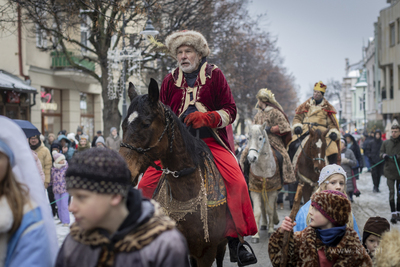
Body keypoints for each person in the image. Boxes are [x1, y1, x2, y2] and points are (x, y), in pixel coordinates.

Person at [138, 30, 257, 265]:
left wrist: (209, 118)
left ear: (198, 53)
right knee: (144, 184)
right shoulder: (168, 80)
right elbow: (160, 114)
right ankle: (143, 235)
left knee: (237, 181)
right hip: (175, 146)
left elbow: (230, 111)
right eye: (179, 52)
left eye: (188, 51)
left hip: (210, 141)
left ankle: (237, 240)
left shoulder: (215, 75)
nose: (183, 56)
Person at [55, 148, 190, 267]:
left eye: (82, 197)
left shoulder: (163, 246)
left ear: (114, 196)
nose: (71, 208)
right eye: (72, 197)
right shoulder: (76, 239)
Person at [0, 116, 58, 266]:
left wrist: (44, 181)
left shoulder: (28, 219)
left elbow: (45, 167)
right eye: (30, 139)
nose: (32, 140)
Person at [269, 190, 371, 266]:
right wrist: (282, 235)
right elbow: (279, 263)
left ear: (332, 214)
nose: (310, 212)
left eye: (316, 209)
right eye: (311, 207)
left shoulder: (353, 246)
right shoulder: (302, 240)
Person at [293, 164, 360, 237]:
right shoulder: (306, 211)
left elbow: (356, 238)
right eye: (333, 182)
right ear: (322, 185)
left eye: (341, 183)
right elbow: (297, 237)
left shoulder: (347, 212)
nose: (338, 187)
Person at [288, 81, 340, 164]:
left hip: (322, 134)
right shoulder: (305, 105)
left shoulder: (328, 108)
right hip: (306, 131)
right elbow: (297, 118)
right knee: (292, 145)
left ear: (322, 94)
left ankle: (332, 170)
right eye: (315, 92)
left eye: (318, 92)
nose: (315, 94)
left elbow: (332, 124)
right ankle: (290, 168)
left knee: (333, 149)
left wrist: (333, 132)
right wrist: (297, 126)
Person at [380, 123, 400, 224]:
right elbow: (380, 153)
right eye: (392, 132)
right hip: (389, 171)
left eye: (396, 132)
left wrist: (398, 157)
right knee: (391, 192)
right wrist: (384, 155)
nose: (394, 133)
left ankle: (398, 212)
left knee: (399, 193)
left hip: (399, 171)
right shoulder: (386, 143)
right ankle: (393, 213)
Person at [50, 151, 70, 227]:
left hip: (65, 189)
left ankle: (66, 221)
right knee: (59, 206)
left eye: (63, 159)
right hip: (56, 190)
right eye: (61, 160)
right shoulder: (53, 169)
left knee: (64, 206)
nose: (63, 161)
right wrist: (50, 185)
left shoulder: (66, 168)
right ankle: (61, 219)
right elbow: (52, 179)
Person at [340, 138, 358, 202]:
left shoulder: (349, 152)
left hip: (348, 173)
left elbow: (355, 163)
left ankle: (350, 198)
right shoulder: (336, 152)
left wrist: (348, 161)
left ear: (344, 144)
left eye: (342, 142)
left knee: (349, 188)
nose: (340, 144)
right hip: (339, 174)